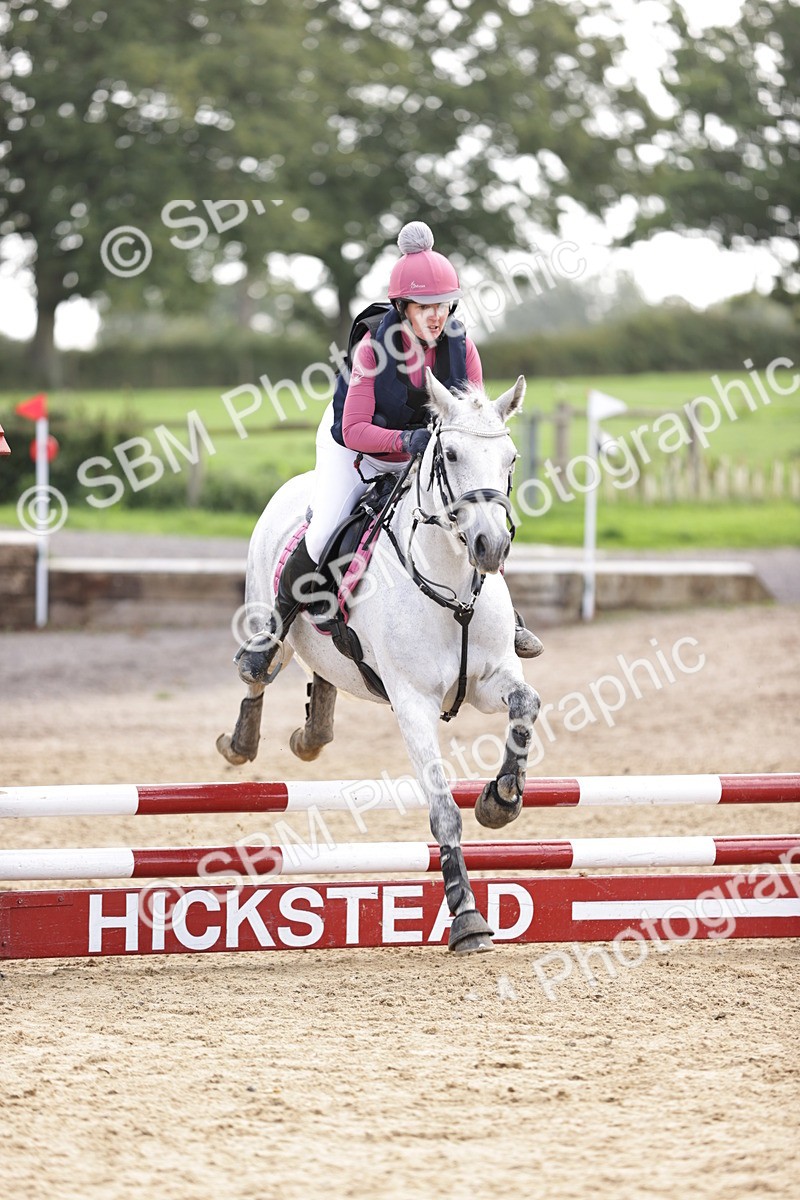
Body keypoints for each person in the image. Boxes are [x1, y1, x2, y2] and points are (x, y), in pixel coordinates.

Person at [236, 221, 542, 681]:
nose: (435, 316)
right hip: (355, 446)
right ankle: (272, 632)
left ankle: (504, 621)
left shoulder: (462, 349)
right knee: (323, 532)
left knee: (471, 517)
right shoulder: (371, 352)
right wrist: (404, 441)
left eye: (442, 305)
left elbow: (469, 421)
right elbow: (355, 428)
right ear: (403, 307)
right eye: (424, 306)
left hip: (420, 450)